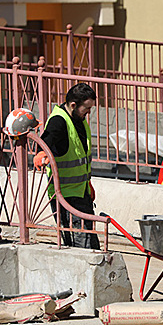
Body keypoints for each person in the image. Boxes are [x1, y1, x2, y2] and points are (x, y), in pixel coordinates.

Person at [33, 83, 100, 250]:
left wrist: (87, 184)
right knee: (81, 247)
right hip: (65, 196)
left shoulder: (79, 119)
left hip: (80, 192)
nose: (89, 112)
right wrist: (41, 154)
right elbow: (46, 142)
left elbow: (80, 157)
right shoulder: (58, 121)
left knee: (90, 244)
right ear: (73, 105)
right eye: (87, 108)